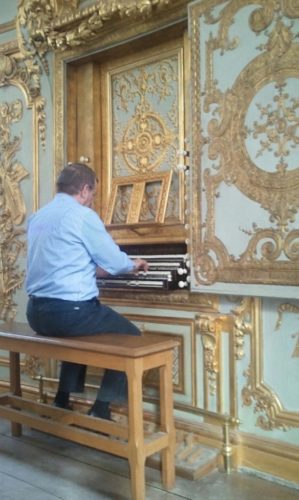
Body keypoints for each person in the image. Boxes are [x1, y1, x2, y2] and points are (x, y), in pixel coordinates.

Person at [26, 162, 148, 420]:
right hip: (68, 314)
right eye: (92, 194)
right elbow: (115, 262)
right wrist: (133, 265)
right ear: (83, 189)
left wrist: (99, 270)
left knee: (80, 335)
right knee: (132, 337)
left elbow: (62, 263)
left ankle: (61, 401)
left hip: (36, 312)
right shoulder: (82, 216)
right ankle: (101, 411)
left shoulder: (38, 217)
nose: (91, 201)